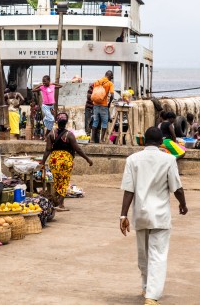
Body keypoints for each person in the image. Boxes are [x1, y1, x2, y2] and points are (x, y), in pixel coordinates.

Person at [119, 127, 187, 305]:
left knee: (143, 254)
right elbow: (177, 188)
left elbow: (128, 190)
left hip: (140, 214)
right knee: (157, 255)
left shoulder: (132, 160)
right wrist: (183, 204)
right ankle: (152, 295)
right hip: (160, 215)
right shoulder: (169, 159)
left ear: (144, 141)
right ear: (161, 142)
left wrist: (122, 216)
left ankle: (146, 286)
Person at [40, 113, 93, 211]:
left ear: (56, 122)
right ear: (66, 123)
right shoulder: (69, 135)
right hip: (65, 161)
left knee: (57, 181)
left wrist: (43, 162)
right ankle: (60, 204)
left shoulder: (51, 134)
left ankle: (58, 202)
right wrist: (87, 159)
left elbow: (47, 150)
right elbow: (78, 149)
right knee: (64, 182)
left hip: (54, 161)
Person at [91, 70, 115, 143]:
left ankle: (92, 139)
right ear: (109, 76)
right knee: (104, 123)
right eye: (111, 77)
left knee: (95, 122)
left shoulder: (96, 82)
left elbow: (94, 93)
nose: (112, 78)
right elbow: (112, 95)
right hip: (104, 105)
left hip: (95, 104)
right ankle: (102, 140)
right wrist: (109, 103)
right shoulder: (110, 83)